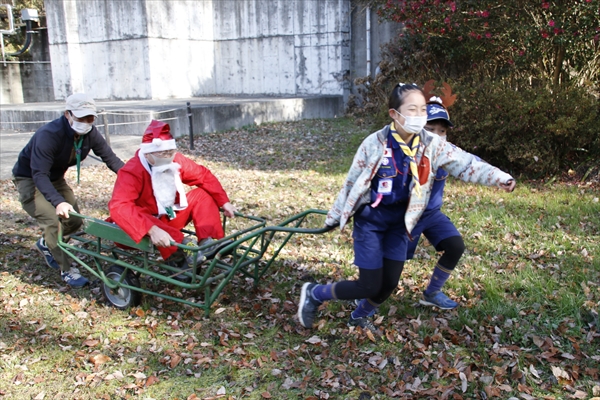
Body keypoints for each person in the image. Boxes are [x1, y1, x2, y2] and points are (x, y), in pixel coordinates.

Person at [297, 83, 516, 333]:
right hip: (371, 221)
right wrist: (335, 217)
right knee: (369, 285)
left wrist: (500, 177)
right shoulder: (375, 143)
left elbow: (466, 163)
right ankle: (315, 293)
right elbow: (352, 182)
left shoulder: (431, 144)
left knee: (389, 283)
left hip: (401, 224)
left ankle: (358, 316)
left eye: (422, 109)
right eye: (412, 109)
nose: (419, 115)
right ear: (394, 114)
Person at [12, 93, 124, 287]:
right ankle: (66, 270)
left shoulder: (90, 133)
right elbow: (39, 174)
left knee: (74, 221)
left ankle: (46, 244)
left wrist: (133, 178)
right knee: (52, 223)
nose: (86, 122)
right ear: (68, 114)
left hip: (55, 178)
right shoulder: (48, 135)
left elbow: (110, 158)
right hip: (30, 179)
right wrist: (58, 202)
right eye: (81, 118)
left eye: (90, 118)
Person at [108, 120, 236, 278]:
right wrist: (152, 230)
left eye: (171, 152)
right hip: (141, 225)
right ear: (148, 153)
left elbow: (202, 175)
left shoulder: (175, 160)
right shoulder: (132, 171)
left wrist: (224, 201)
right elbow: (120, 207)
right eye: (163, 154)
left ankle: (208, 242)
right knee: (142, 213)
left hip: (167, 215)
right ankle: (181, 250)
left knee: (202, 195)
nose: (168, 157)